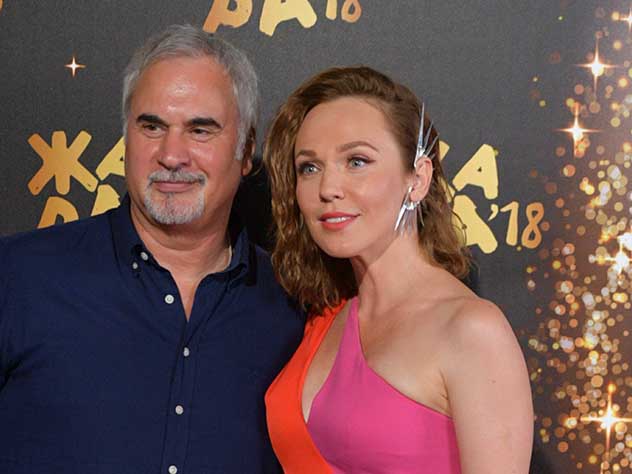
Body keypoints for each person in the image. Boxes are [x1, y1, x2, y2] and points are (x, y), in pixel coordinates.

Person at [0, 25, 303, 474]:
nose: (172, 155)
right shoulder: (19, 276)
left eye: (200, 130)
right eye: (152, 126)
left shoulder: (294, 310)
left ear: (246, 151)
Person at [263, 66, 533, 473]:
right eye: (310, 167)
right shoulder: (325, 318)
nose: (328, 188)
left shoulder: (472, 330)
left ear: (418, 179)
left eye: (357, 161)